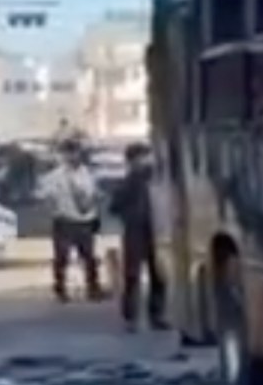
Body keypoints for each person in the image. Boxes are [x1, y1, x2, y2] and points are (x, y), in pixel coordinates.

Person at [109, 142, 168, 332]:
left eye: (146, 156)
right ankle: (130, 316)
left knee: (158, 274)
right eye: (142, 157)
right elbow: (114, 207)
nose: (146, 161)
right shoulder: (128, 182)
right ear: (132, 161)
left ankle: (157, 315)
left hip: (156, 230)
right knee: (132, 275)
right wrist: (131, 216)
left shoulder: (156, 179)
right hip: (135, 232)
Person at [40, 142, 104, 303]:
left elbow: (94, 194)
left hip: (85, 220)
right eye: (68, 153)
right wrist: (55, 212)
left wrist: (93, 205)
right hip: (65, 220)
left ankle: (93, 287)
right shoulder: (55, 176)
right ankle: (60, 289)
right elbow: (47, 197)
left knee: (89, 256)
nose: (72, 156)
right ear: (63, 155)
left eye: (75, 152)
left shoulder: (87, 173)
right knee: (62, 257)